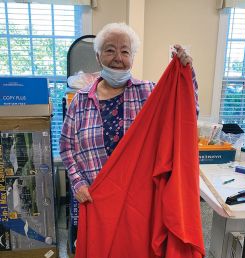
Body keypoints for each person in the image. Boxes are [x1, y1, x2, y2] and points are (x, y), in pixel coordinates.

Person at [60, 22, 198, 203]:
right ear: (98, 56)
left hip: (140, 201)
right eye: (110, 50)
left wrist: (186, 74)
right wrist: (78, 182)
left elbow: (185, 115)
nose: (118, 58)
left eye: (125, 52)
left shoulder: (149, 93)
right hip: (97, 199)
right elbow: (66, 145)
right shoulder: (81, 100)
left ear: (132, 58)